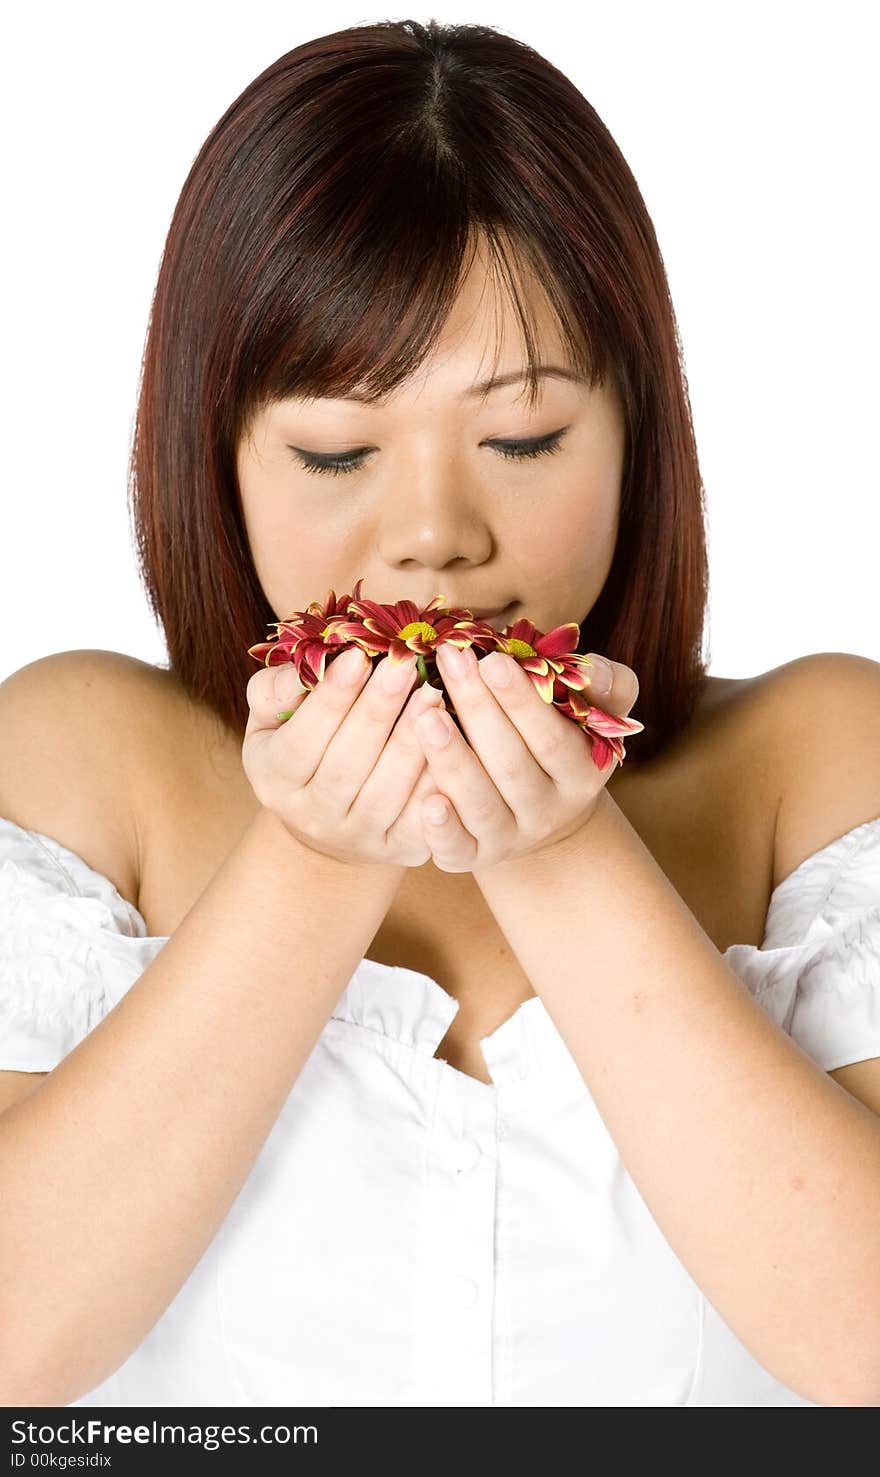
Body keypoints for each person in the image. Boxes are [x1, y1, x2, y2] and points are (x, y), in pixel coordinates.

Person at [1, 18, 879, 1410]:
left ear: (638, 432)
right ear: (214, 453)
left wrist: (556, 843)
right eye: (337, 449)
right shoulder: (77, 758)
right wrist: (313, 855)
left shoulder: (818, 762)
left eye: (523, 438)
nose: (430, 536)